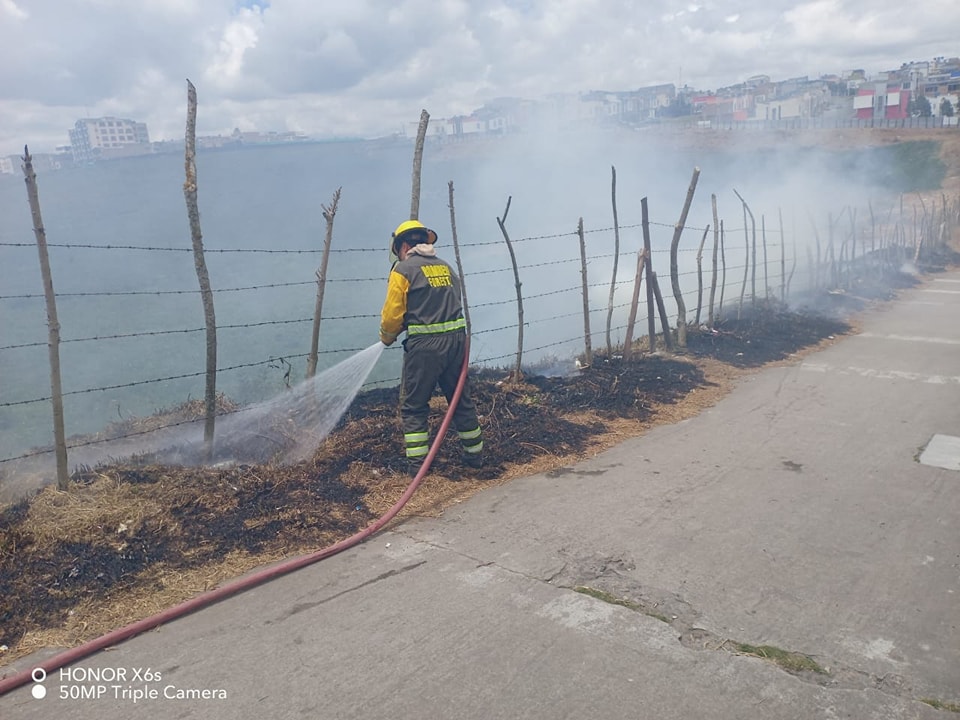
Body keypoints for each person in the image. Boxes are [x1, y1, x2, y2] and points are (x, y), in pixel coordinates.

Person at [379, 219, 484, 475]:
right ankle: (475, 456)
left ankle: (417, 467)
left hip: (425, 347)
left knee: (414, 405)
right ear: (425, 242)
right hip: (457, 342)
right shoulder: (445, 267)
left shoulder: (403, 270)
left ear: (403, 245)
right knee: (460, 399)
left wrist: (387, 336)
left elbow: (393, 315)